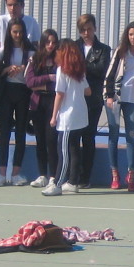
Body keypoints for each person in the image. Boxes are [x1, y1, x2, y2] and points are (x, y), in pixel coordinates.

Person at [0, 15, 35, 186]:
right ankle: (2, 174)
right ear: (9, 32)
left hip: (23, 93)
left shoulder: (31, 50)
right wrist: (7, 69)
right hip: (7, 93)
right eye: (14, 32)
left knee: (20, 134)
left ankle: (16, 173)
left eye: (20, 32)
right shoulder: (4, 51)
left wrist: (24, 68)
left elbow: (34, 69)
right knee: (4, 133)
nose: (17, 35)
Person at [104, 21, 134, 191]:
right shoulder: (120, 52)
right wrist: (108, 96)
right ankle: (115, 175)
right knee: (113, 135)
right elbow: (109, 74)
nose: (133, 38)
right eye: (130, 34)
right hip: (115, 97)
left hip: (133, 100)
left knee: (131, 136)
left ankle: (131, 175)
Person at [48, 39, 90, 196]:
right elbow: (88, 91)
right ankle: (72, 182)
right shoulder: (80, 71)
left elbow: (59, 94)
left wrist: (54, 116)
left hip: (68, 117)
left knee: (63, 151)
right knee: (74, 149)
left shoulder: (61, 70)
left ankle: (58, 183)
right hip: (80, 115)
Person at [77, 13, 110, 188]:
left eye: (89, 28)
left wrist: (80, 66)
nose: (86, 32)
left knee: (88, 137)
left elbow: (101, 69)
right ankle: (72, 175)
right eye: (83, 29)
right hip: (74, 99)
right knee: (73, 138)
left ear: (95, 28)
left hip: (93, 99)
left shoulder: (103, 49)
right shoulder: (73, 46)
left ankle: (85, 177)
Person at [26, 29, 59, 190]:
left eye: (53, 42)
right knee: (40, 140)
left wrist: (46, 84)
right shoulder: (35, 59)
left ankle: (53, 177)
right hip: (37, 103)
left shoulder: (59, 60)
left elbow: (60, 83)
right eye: (48, 42)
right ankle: (42, 175)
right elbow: (30, 82)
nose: (50, 45)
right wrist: (47, 79)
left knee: (51, 140)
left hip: (53, 103)